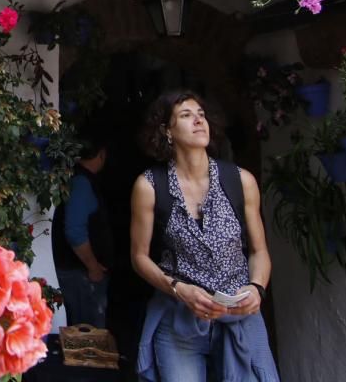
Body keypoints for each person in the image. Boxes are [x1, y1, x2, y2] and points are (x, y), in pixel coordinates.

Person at [130, 91, 280, 382]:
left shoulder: (241, 180)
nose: (199, 120)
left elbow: (259, 251)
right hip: (179, 321)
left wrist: (257, 288)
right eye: (186, 115)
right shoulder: (149, 186)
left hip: (239, 316)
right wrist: (178, 288)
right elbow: (138, 256)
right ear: (166, 131)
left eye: (201, 114)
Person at [51, 134, 113, 328]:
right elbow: (74, 231)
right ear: (101, 154)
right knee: (87, 335)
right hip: (79, 275)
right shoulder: (81, 183)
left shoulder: (77, 179)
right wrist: (93, 267)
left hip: (78, 273)